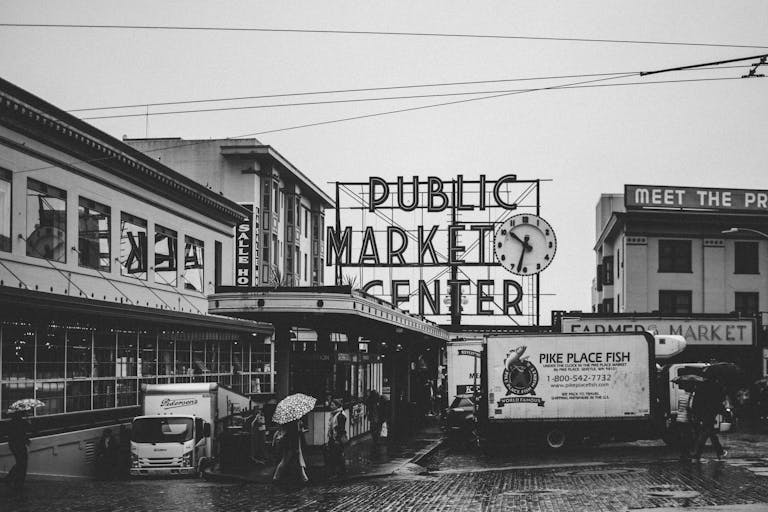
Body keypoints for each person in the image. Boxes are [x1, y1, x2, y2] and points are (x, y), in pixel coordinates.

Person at [691, 379, 728, 461]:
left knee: (708, 433)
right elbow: (719, 402)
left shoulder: (701, 387)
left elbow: (696, 402)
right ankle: (718, 452)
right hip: (711, 413)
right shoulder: (716, 387)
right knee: (708, 434)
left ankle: (699, 453)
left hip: (703, 413)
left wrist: (696, 414)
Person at [272, 419, 309, 484]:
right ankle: (276, 477)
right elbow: (293, 434)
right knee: (286, 460)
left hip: (291, 443)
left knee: (295, 460)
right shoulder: (292, 423)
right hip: (291, 444)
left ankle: (304, 477)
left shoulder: (290, 422)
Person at [6, 410, 31, 490]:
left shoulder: (10, 423)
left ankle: (10, 478)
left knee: (20, 462)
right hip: (20, 444)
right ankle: (18, 482)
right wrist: (29, 422)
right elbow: (28, 431)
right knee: (23, 463)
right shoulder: (22, 422)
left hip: (12, 444)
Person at [325, 399, 348, 479]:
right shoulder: (333, 415)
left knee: (336, 455)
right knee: (335, 455)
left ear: (337, 406)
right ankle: (340, 471)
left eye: (332, 405)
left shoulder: (340, 415)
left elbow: (340, 428)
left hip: (337, 438)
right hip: (333, 437)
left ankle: (338, 472)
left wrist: (337, 439)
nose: (330, 406)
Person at [675, 389, 694, 462]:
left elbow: (679, 407)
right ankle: (687, 453)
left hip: (679, 418)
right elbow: (690, 408)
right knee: (688, 437)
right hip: (686, 419)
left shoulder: (681, 396)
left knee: (682, 436)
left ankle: (683, 453)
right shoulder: (690, 397)